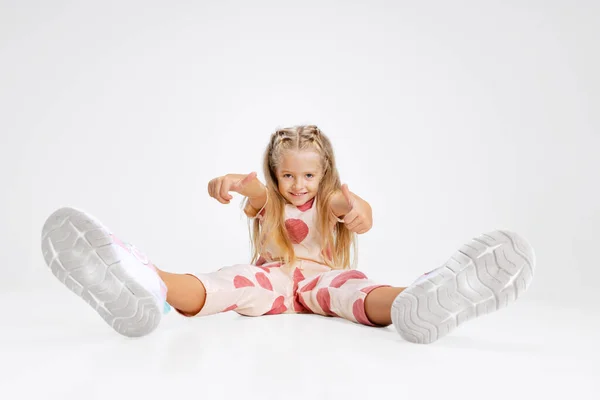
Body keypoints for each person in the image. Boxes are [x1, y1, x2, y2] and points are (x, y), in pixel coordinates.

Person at [40, 125, 536, 344]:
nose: (298, 185)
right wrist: (228, 183)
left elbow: (358, 212)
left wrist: (353, 210)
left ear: (325, 176)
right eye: (289, 176)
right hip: (275, 280)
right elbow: (246, 188)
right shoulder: (269, 201)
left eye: (308, 177)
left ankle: (420, 298)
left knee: (355, 293)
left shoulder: (334, 199)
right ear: (277, 176)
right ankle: (145, 281)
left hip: (322, 280)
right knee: (231, 282)